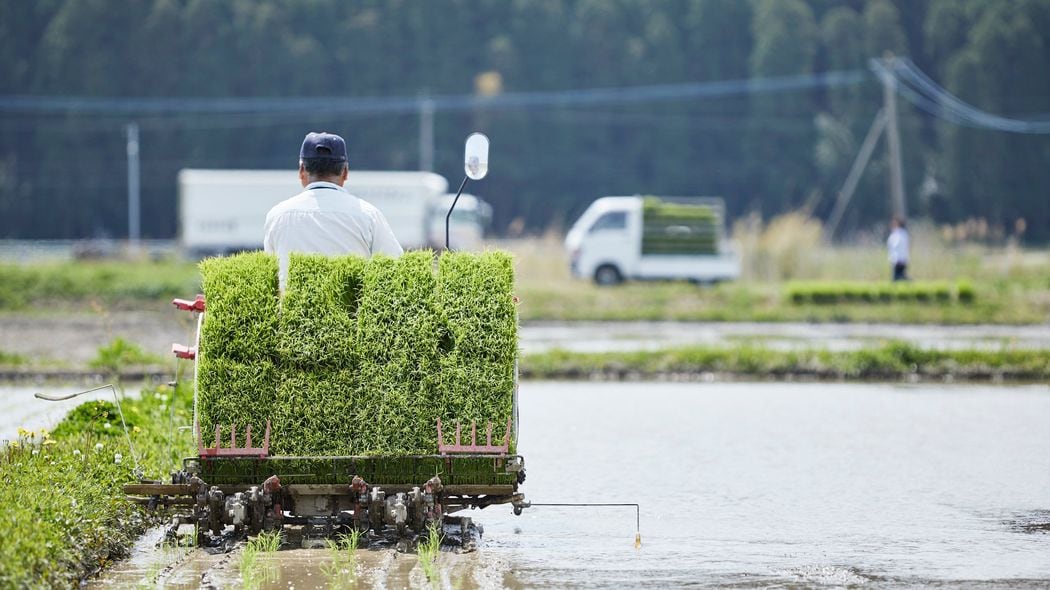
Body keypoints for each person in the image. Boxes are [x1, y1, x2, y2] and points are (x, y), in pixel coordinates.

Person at [264, 132, 403, 289]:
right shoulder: (368, 215)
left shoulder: (277, 215)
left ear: (302, 170)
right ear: (345, 172)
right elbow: (396, 270)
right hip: (350, 313)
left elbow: (271, 279)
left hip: (291, 312)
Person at [887, 215, 909, 281]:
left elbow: (898, 246)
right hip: (896, 259)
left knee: (897, 278)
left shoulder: (901, 233)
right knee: (899, 277)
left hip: (899, 260)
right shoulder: (895, 233)